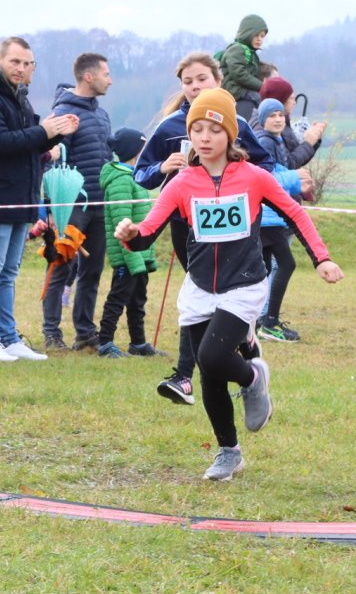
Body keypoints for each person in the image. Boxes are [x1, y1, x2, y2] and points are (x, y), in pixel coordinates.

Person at [114, 89, 343, 482]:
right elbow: (147, 232)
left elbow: (295, 214)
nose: (204, 138)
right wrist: (131, 234)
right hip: (201, 286)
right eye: (197, 130)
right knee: (209, 371)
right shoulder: (182, 182)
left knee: (212, 355)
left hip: (244, 285)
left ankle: (253, 378)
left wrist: (321, 258)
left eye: (214, 130)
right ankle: (229, 452)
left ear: (230, 135)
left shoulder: (254, 177)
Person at [133, 52, 273, 405]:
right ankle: (188, 375)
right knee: (199, 293)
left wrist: (238, 175)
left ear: (218, 81)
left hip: (234, 227)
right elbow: (141, 174)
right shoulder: (169, 127)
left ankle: (215, 354)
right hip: (185, 224)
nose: (195, 86)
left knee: (223, 290)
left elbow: (266, 164)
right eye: (187, 81)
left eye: (202, 79)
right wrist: (163, 167)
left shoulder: (235, 123)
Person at [0, 37, 74, 362]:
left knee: (8, 272)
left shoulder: (19, 98)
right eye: (15, 61)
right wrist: (44, 132)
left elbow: (26, 144)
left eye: (27, 63)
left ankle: (7, 337)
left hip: (19, 197)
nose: (21, 68)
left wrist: (56, 131)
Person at [41, 53, 108, 351]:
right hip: (71, 206)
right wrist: (52, 209)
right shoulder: (63, 113)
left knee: (92, 270)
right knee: (61, 266)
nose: (110, 80)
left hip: (99, 205)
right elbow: (51, 160)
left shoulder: (102, 114)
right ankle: (51, 332)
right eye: (106, 74)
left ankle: (85, 332)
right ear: (89, 76)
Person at [252, 97, 315, 342]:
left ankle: (258, 321)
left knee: (265, 270)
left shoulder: (275, 141)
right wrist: (295, 177)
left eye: (281, 115)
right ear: (262, 120)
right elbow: (266, 179)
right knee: (286, 264)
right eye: (272, 116)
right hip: (267, 218)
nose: (278, 119)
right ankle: (269, 322)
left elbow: (279, 173)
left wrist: (297, 183)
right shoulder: (264, 142)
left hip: (271, 217)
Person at [96, 127, 159, 358]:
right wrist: (132, 255)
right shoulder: (120, 180)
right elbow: (121, 221)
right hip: (127, 253)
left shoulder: (136, 176)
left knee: (137, 299)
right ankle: (105, 342)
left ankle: (138, 343)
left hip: (139, 251)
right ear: (136, 151)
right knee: (118, 297)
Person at [219, 15, 268, 120]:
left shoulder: (250, 52)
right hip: (234, 90)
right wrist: (261, 86)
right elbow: (239, 73)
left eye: (262, 36)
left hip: (242, 89)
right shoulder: (237, 49)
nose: (259, 39)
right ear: (247, 33)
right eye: (256, 35)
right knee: (258, 98)